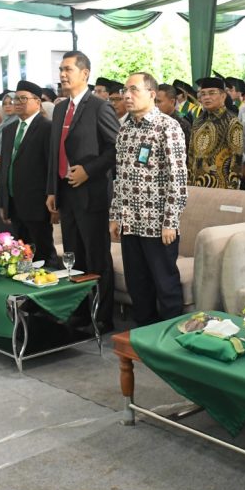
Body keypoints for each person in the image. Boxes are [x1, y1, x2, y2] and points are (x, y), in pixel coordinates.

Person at [47, 51, 120, 332]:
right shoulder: (60, 108)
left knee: (97, 256)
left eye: (68, 69)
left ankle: (102, 317)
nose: (63, 74)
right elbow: (55, 152)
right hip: (66, 193)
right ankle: (79, 309)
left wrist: (89, 170)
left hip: (92, 194)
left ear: (85, 73)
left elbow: (116, 148)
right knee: (73, 256)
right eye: (61, 69)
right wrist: (52, 189)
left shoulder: (99, 107)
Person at [109, 72, 188, 326]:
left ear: (151, 94)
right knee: (138, 285)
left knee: (165, 284)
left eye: (134, 90)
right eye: (125, 90)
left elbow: (177, 177)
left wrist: (170, 221)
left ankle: (169, 339)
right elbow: (119, 176)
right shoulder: (125, 127)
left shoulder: (168, 126)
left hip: (157, 224)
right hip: (130, 222)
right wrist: (115, 215)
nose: (127, 96)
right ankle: (144, 335)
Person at [0, 81, 61, 273]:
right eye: (16, 98)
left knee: (42, 253)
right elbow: (5, 168)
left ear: (37, 102)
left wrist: (54, 198)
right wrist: (3, 202)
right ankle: (27, 293)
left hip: (37, 204)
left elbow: (52, 167)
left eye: (23, 98)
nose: (18, 102)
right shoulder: (9, 130)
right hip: (15, 203)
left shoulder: (46, 128)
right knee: (21, 253)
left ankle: (46, 292)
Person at [188, 75, 243, 190]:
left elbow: (237, 158)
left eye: (212, 93)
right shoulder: (198, 121)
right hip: (195, 186)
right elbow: (191, 155)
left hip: (220, 187)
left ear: (223, 96)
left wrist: (232, 188)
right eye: (203, 94)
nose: (206, 97)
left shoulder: (232, 121)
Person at [156, 84, 191, 152]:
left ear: (172, 102)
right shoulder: (152, 120)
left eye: (159, 101)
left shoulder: (182, 124)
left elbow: (187, 153)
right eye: (154, 101)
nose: (155, 105)